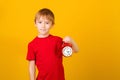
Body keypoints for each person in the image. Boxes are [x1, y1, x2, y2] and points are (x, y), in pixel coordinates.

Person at [26, 8, 79, 80]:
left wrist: (71, 40)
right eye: (40, 22)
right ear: (35, 23)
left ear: (52, 25)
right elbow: (31, 66)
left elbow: (76, 50)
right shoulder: (32, 45)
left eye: (47, 23)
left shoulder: (57, 41)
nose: (43, 26)